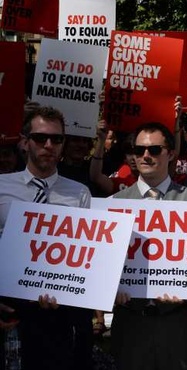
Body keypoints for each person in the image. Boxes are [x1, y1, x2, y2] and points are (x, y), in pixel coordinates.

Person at [0, 106, 92, 370]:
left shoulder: (80, 193)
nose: (49, 145)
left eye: (57, 139)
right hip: (11, 310)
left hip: (62, 311)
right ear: (25, 142)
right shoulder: (2, 187)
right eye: (40, 138)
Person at [111, 122, 187, 370]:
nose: (145, 155)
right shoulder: (111, 205)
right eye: (139, 149)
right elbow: (102, 268)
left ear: (170, 153)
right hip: (130, 322)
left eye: (154, 149)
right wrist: (112, 289)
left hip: (178, 323)